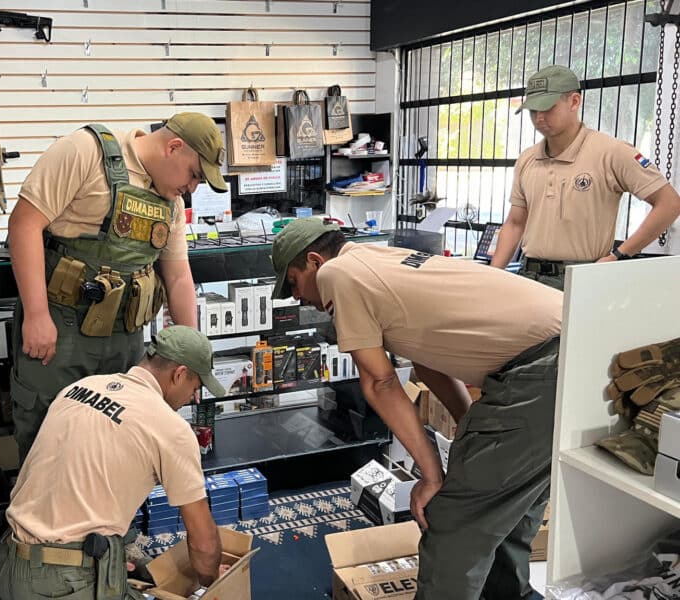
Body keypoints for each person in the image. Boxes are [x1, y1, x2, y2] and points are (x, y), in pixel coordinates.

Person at [271, 218, 563, 600]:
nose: (296, 298)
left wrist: (431, 477)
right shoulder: (378, 257)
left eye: (293, 283)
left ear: (313, 261)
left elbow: (380, 382)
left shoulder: (337, 274)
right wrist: (464, 425)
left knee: (454, 521)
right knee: (505, 510)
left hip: (537, 371)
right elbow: (429, 361)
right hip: (568, 348)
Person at [6, 112, 227, 458]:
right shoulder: (85, 151)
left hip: (125, 340)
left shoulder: (170, 205)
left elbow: (179, 277)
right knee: (47, 445)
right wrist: (36, 314)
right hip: (60, 334)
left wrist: (191, 357)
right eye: (195, 175)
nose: (192, 188)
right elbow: (24, 224)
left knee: (117, 450)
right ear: (174, 147)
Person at [0, 325, 226, 600]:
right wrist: (214, 580)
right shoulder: (172, 429)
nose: (193, 397)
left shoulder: (79, 388)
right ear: (179, 374)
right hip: (59, 584)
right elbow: (203, 543)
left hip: (8, 562)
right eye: (195, 387)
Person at [490, 65, 680, 289]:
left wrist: (619, 256)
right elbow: (514, 224)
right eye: (533, 110)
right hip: (528, 276)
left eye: (547, 107)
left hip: (583, 279)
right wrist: (492, 278)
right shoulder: (527, 160)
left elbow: (669, 203)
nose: (539, 117)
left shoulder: (611, 152)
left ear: (574, 102)